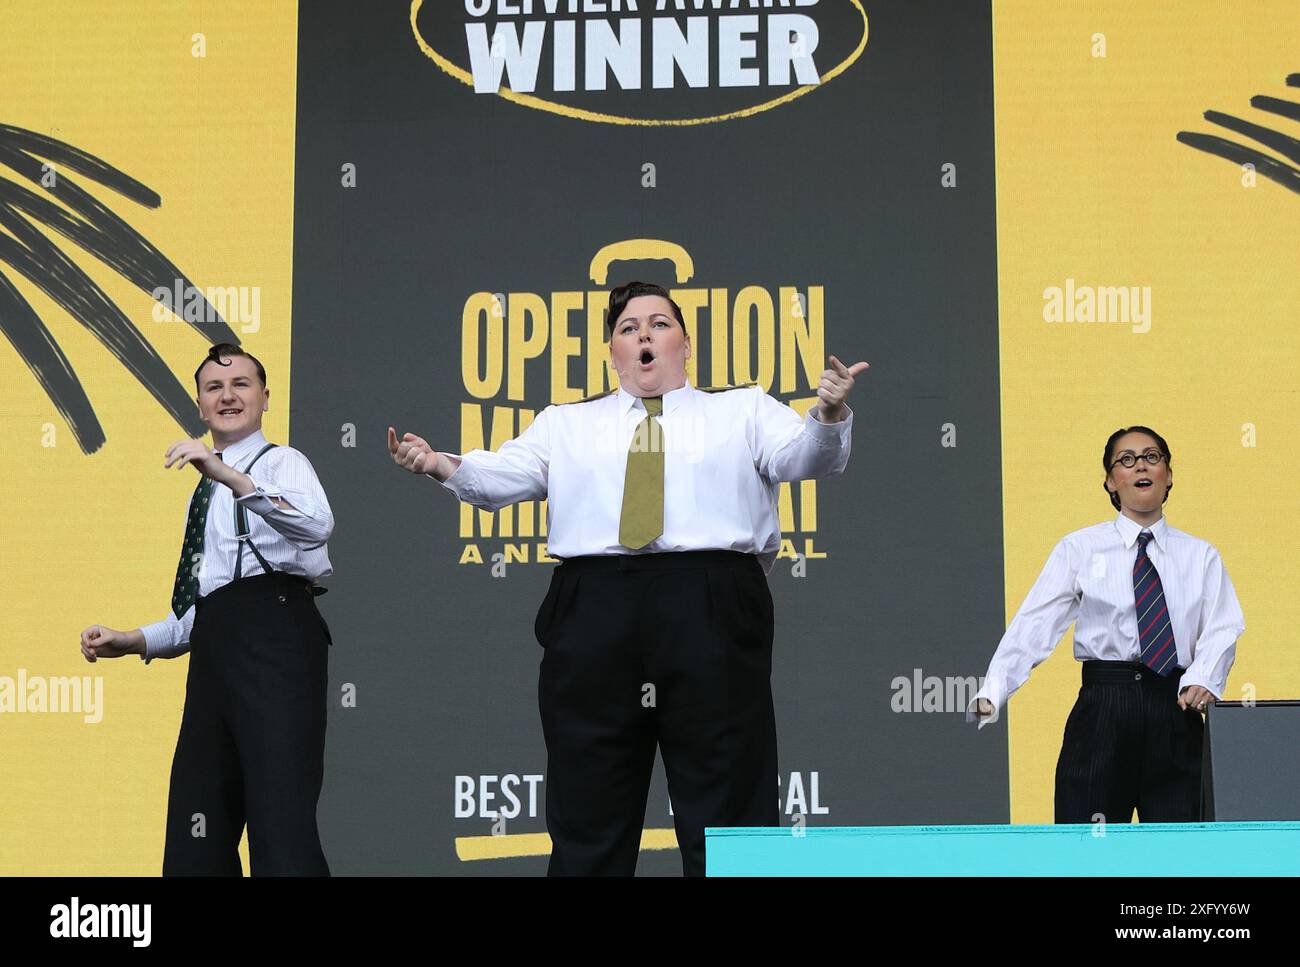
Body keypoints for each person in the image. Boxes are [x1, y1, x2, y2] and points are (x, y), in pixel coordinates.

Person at [389, 280, 867, 876]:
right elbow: (498, 477)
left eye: (660, 324)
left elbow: (806, 457)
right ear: (612, 353)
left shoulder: (741, 408)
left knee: (729, 811)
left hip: (711, 603)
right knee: (590, 807)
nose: (644, 335)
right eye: (628, 328)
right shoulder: (565, 423)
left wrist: (827, 413)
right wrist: (439, 465)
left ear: (685, 345)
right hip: (596, 609)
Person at [79, 343, 335, 875]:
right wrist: (135, 640)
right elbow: (209, 607)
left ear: (265, 397)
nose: (228, 395)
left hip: (276, 637)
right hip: (216, 651)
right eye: (214, 387)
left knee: (280, 821)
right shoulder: (205, 487)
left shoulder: (281, 462)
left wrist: (229, 477)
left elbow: (316, 526)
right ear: (199, 405)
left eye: (241, 384)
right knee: (198, 823)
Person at [968, 426, 1245, 823]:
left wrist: (1204, 676)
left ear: (1169, 475)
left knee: (1180, 853)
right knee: (1087, 852)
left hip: (1175, 711)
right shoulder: (1080, 548)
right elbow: (1036, 622)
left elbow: (1223, 625)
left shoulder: (1201, 555)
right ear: (1110, 481)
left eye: (1152, 457)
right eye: (1126, 460)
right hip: (1103, 709)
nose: (1140, 467)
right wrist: (994, 689)